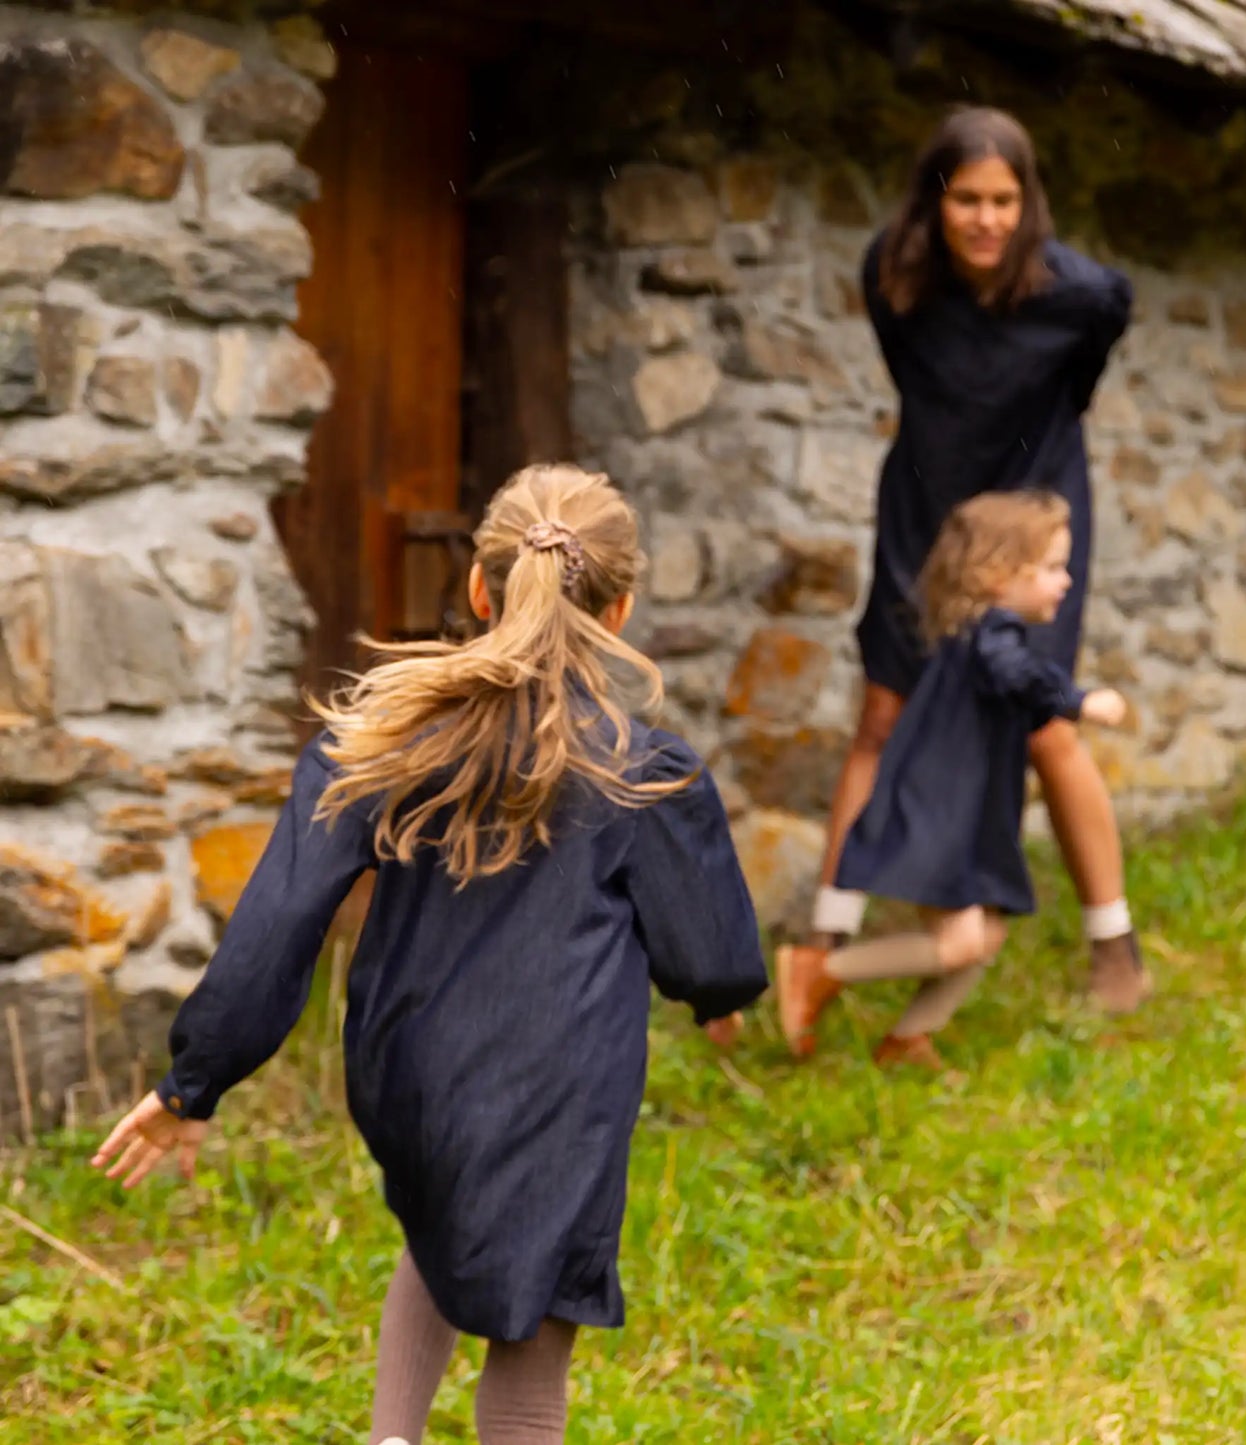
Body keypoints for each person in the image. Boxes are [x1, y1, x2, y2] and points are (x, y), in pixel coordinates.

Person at [89, 464, 769, 1445]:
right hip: (555, 1095)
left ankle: (390, 1435)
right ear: (618, 610)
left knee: (446, 1216)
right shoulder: (640, 767)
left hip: (410, 1076)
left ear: (480, 590)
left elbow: (280, 917)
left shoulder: (380, 740)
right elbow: (706, 953)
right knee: (529, 1349)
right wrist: (718, 995)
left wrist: (198, 1078)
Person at [790, 105, 1148, 1023]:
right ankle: (823, 941)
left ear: (1029, 202)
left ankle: (1114, 943)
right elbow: (920, 386)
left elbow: (1076, 393)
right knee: (882, 712)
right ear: (933, 200)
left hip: (1026, 521)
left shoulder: (1083, 297)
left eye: (1004, 198)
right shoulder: (894, 276)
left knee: (1042, 724)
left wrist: (1026, 525)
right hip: (923, 510)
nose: (986, 219)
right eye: (966, 199)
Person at [778, 491, 1129, 1067]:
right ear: (996, 575)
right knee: (962, 941)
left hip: (961, 818)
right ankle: (819, 970)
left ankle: (908, 1038)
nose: (1066, 581)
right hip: (938, 815)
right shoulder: (992, 638)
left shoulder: (985, 638)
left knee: (984, 939)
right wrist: (1079, 701)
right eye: (1050, 568)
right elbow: (1019, 675)